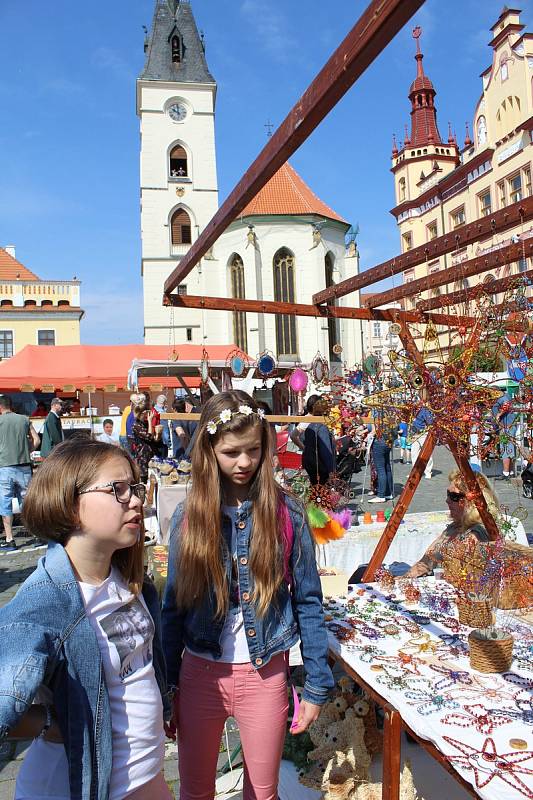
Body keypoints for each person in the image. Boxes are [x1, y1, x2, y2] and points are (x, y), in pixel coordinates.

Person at [162, 390, 334, 800]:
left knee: (262, 792)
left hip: (266, 674)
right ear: (209, 451)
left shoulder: (287, 513)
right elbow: (172, 607)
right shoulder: (190, 519)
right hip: (199, 675)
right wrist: (166, 686)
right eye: (231, 452)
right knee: (196, 790)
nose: (243, 463)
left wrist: (315, 685)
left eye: (253, 450)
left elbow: (308, 600)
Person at [0, 439, 171, 800]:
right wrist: (48, 721)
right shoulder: (41, 606)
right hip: (77, 785)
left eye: (135, 488)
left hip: (143, 775)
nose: (136, 500)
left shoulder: (129, 578)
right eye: (118, 490)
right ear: (70, 504)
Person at [405, 469, 499, 577]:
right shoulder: (454, 527)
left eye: (454, 496)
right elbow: (426, 562)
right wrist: (402, 579)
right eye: (448, 494)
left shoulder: (478, 533)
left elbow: (463, 576)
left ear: (472, 502)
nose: (447, 500)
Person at [0, 395, 40, 552]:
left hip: (4, 467)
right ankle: (36, 535)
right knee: (27, 502)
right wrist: (26, 451)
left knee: (5, 503)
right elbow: (36, 440)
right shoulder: (24, 419)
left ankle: (10, 539)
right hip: (24, 466)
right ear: (11, 405)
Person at [368, 415, 396, 503]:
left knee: (380, 469)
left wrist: (368, 437)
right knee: (387, 467)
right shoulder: (390, 411)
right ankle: (388, 493)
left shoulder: (375, 412)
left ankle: (381, 495)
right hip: (388, 442)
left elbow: (374, 431)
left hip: (379, 441)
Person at [492, 387, 517, 481]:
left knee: (506, 449)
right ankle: (510, 472)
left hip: (507, 427)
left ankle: (506, 473)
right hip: (506, 427)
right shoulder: (505, 397)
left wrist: (499, 414)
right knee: (509, 449)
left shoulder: (504, 398)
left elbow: (506, 405)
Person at [131, 404, 160, 483]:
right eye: (146, 413)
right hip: (142, 454)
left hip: (149, 453)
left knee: (152, 474)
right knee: (144, 476)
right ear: (140, 414)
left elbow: (152, 438)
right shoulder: (136, 425)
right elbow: (149, 436)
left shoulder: (143, 423)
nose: (147, 415)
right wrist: (150, 421)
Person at [409, 406, 434, 480]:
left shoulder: (424, 410)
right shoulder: (412, 410)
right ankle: (415, 472)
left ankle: (428, 471)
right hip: (414, 434)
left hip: (422, 434)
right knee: (414, 453)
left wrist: (427, 430)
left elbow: (430, 421)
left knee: (427, 452)